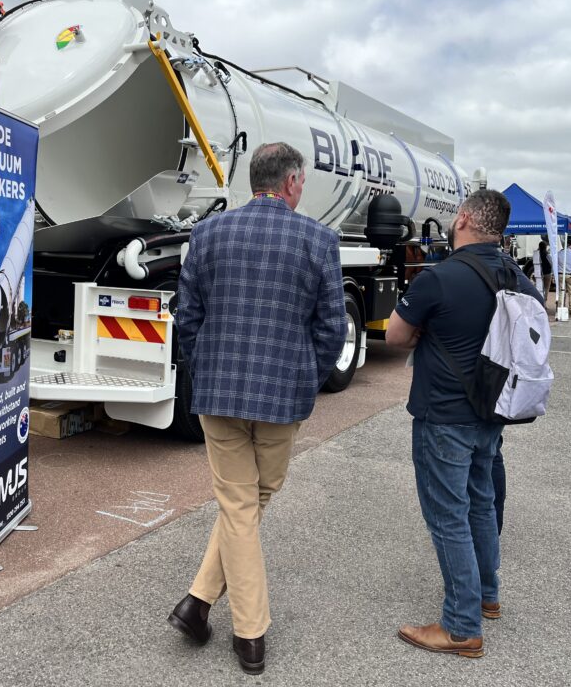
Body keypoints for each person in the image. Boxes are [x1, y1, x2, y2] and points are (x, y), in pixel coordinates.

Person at [168, 142, 346, 675]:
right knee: (248, 503)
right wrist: (305, 381)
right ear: (291, 182)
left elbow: (188, 315)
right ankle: (250, 634)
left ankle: (198, 602)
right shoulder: (319, 239)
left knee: (245, 501)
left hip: (219, 394)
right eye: (303, 181)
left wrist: (204, 369)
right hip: (278, 399)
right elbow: (332, 327)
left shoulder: (208, 232)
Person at [386, 189, 543, 658]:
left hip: (444, 415)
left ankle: (460, 626)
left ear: (465, 220)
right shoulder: (516, 276)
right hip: (491, 412)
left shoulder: (441, 277)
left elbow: (395, 337)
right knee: (481, 503)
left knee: (448, 515)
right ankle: (487, 595)